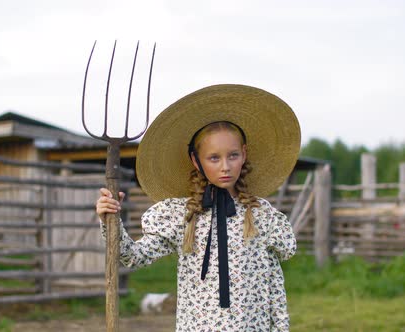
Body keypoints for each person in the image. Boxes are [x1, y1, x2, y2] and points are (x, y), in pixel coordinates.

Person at [96, 84, 301, 331]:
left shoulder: (261, 215)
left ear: (244, 154)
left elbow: (275, 284)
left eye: (232, 155)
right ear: (196, 160)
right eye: (214, 158)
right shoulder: (182, 216)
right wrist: (110, 220)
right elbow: (133, 257)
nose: (225, 166)